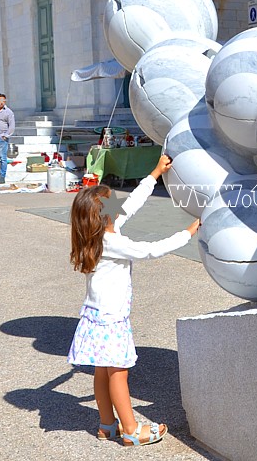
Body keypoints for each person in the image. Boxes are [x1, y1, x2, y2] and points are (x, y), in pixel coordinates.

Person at [67, 155, 200, 447]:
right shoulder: (111, 241)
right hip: (111, 318)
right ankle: (130, 429)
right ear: (104, 214)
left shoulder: (97, 232)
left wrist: (154, 174)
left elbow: (132, 204)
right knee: (119, 373)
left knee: (103, 371)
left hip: (95, 315)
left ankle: (106, 424)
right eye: (112, 202)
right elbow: (150, 250)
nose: (118, 204)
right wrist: (187, 233)